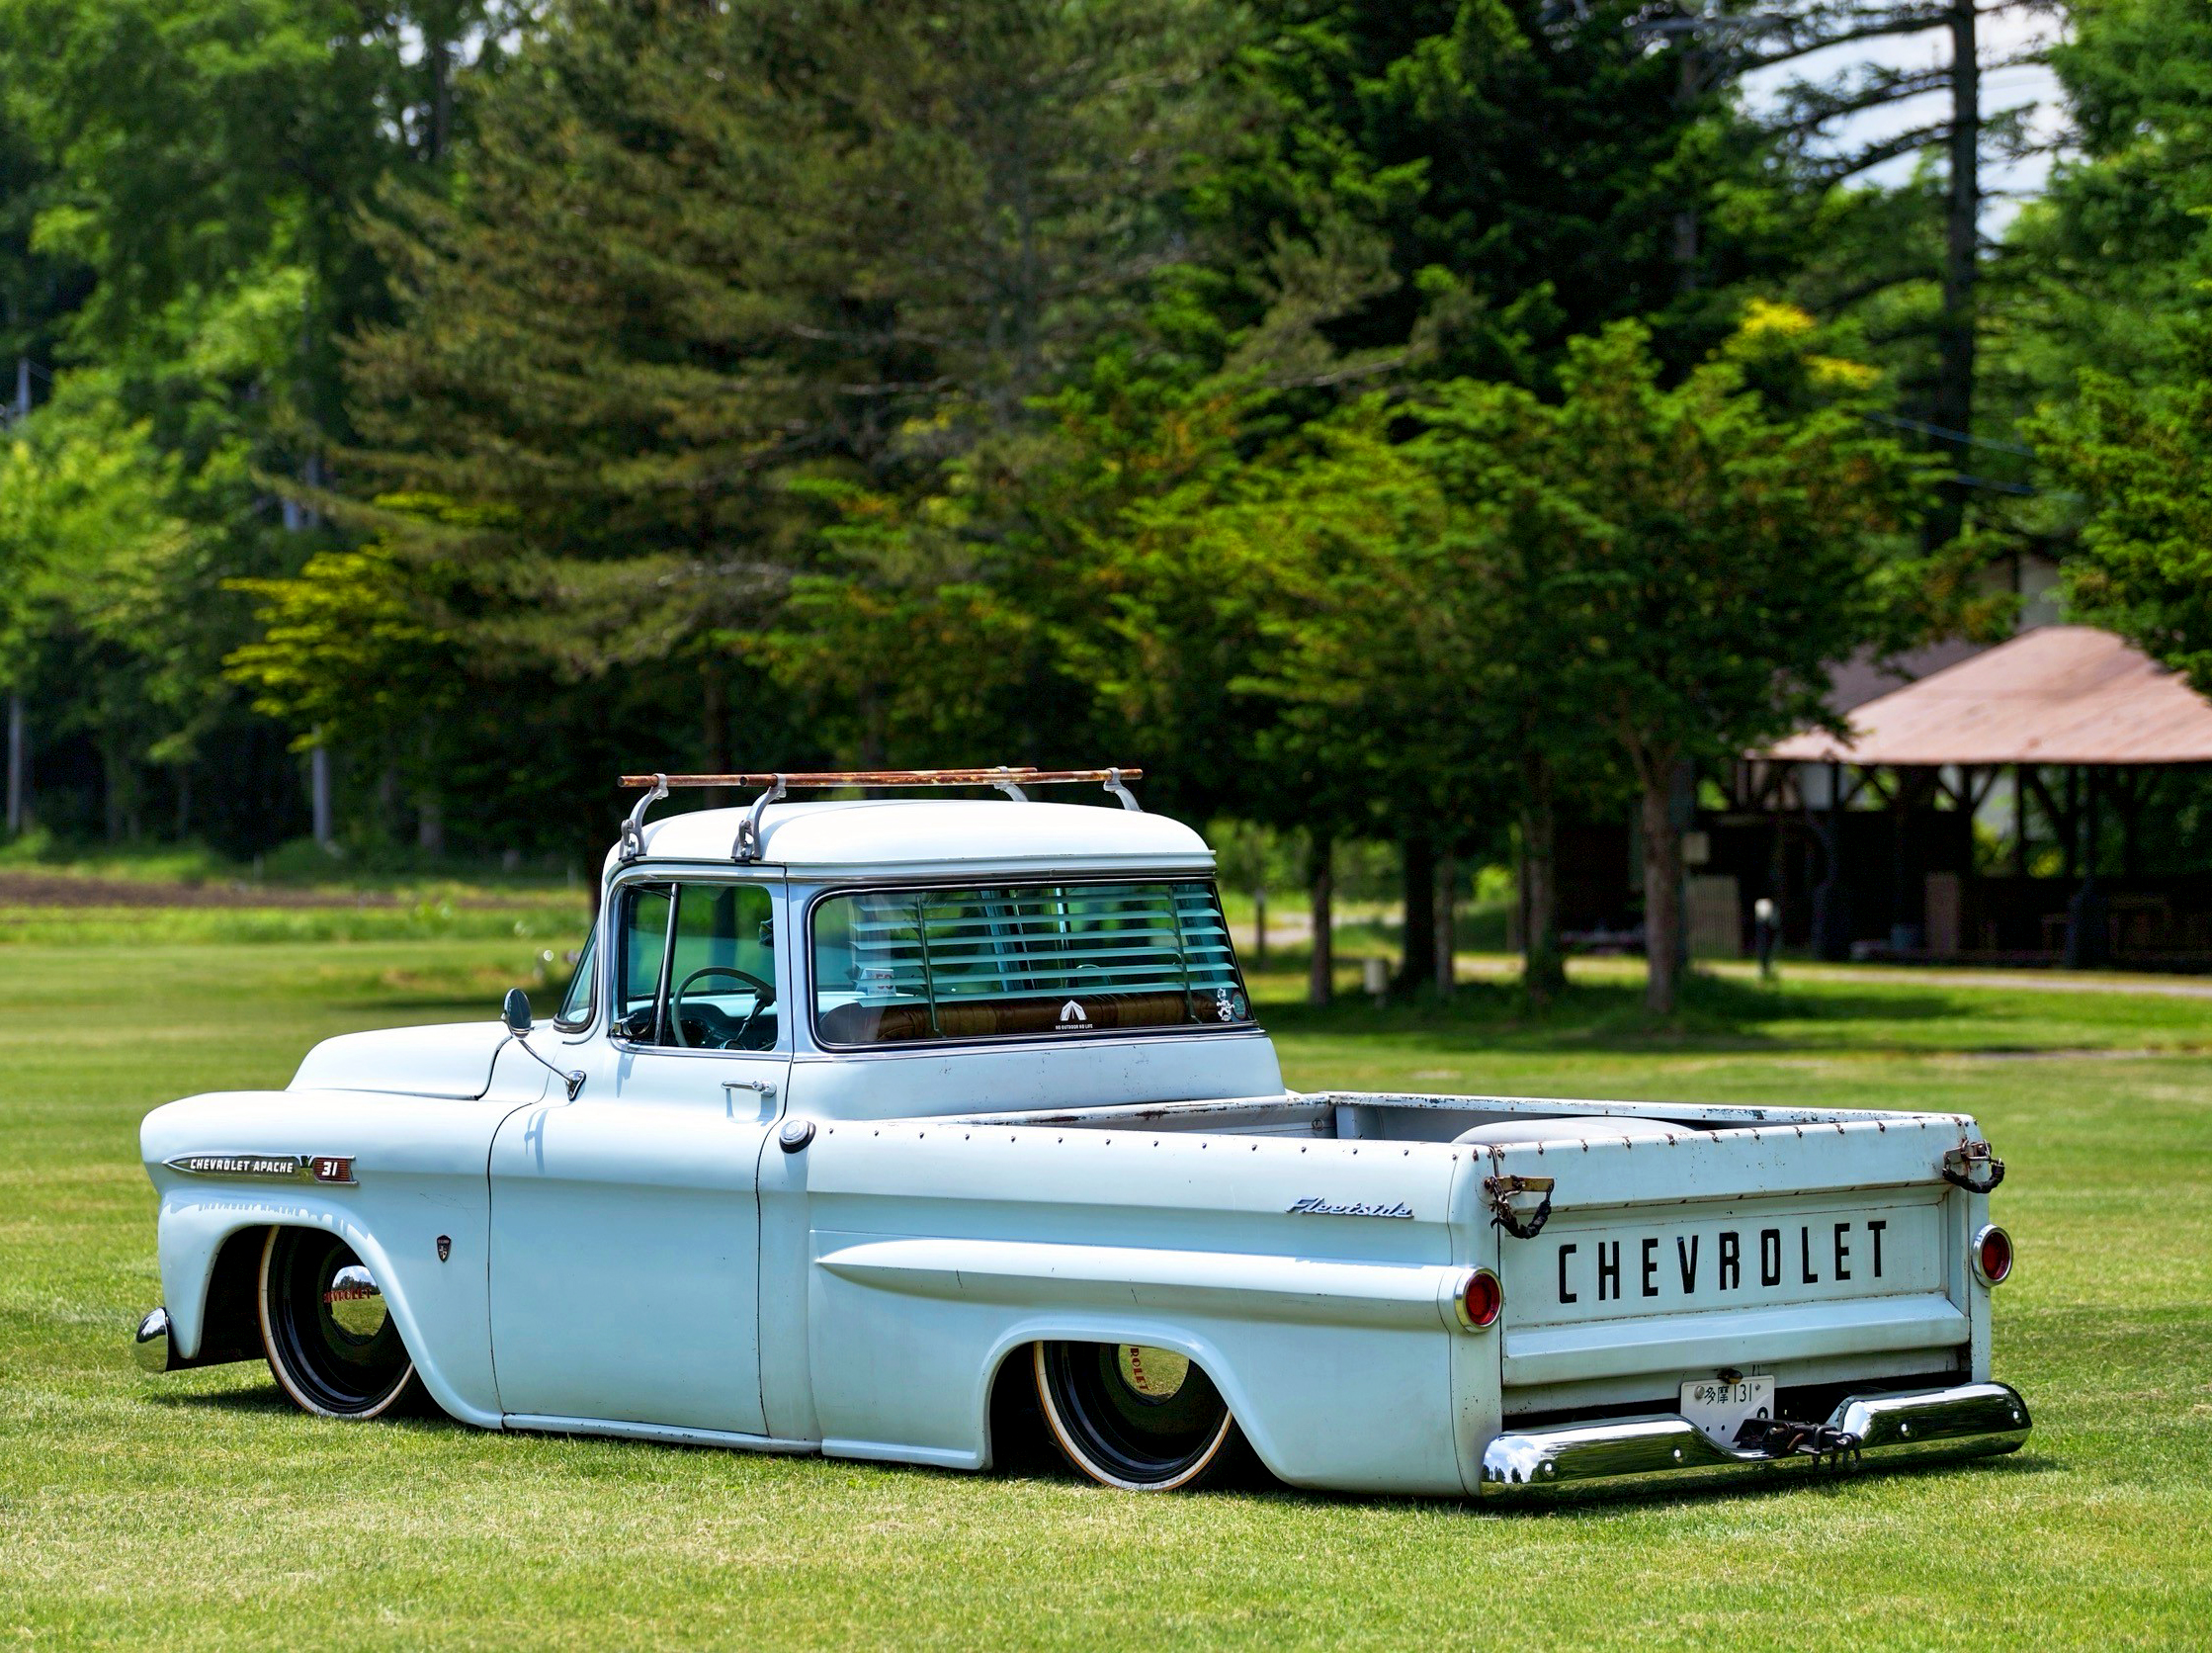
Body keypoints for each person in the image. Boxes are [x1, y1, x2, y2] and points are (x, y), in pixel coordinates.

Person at [1753, 896, 1780, 983]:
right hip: (1764, 905)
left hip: (1769, 906)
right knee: (1764, 942)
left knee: (1768, 942)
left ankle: (1766, 966)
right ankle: (1764, 966)